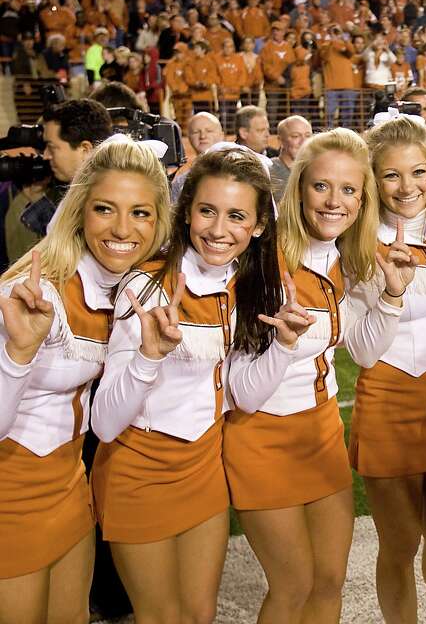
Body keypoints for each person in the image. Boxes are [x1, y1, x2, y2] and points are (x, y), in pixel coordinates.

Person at [223, 129, 414, 623]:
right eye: (322, 186)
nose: (335, 202)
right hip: (260, 435)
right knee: (292, 585)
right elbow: (241, 392)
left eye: (350, 189)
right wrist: (284, 345)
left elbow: (366, 353)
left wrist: (392, 296)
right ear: (299, 186)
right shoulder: (260, 257)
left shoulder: (349, 255)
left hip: (321, 429)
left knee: (329, 581)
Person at [89, 147, 283, 623]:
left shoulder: (247, 282)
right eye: (207, 211)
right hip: (139, 470)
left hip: (202, 465)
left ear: (258, 226)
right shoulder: (147, 287)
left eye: (237, 216)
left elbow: (244, 395)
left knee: (199, 614)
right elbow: (105, 423)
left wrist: (285, 348)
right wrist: (148, 357)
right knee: (161, 617)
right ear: (187, 212)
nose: (218, 231)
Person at [0, 135, 171, 623]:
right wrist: (18, 352)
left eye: (141, 212)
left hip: (70, 485)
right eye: (105, 209)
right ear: (79, 212)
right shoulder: (33, 293)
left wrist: (146, 358)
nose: (123, 228)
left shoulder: (123, 289)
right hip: (9, 493)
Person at [351, 114, 426, 624]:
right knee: (399, 544)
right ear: (374, 180)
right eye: (392, 175)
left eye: (419, 172)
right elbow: (362, 352)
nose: (408, 187)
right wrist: (393, 294)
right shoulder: (354, 242)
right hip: (386, 398)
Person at [269, 115, 312, 196]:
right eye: (296, 136)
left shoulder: (316, 170)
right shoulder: (268, 171)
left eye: (308, 136)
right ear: (280, 141)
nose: (304, 141)